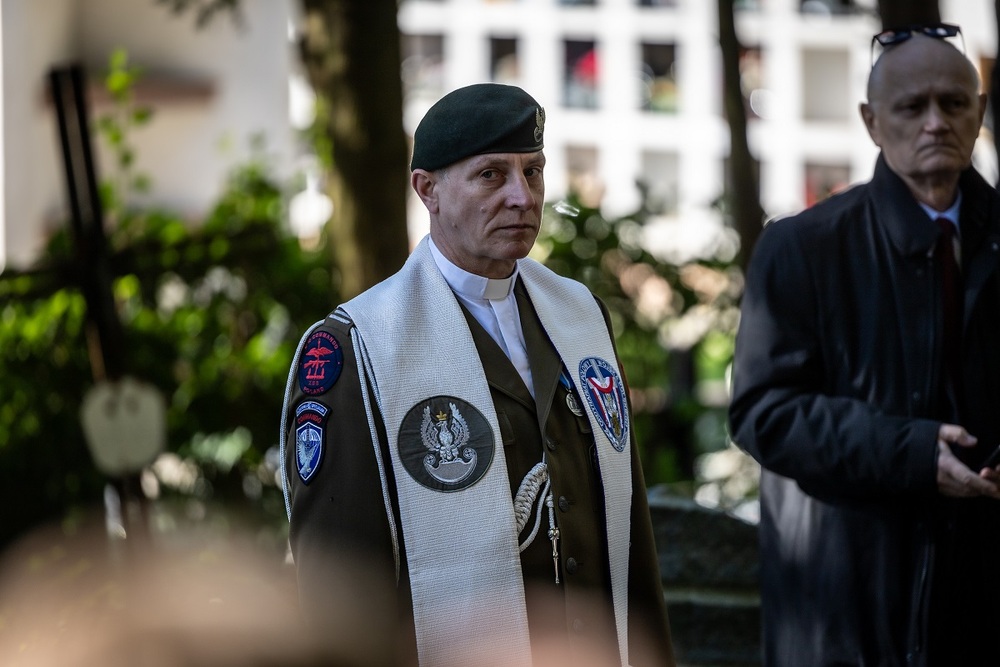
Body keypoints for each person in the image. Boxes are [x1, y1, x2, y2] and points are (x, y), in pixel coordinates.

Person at [280, 82, 675, 667]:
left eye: (533, 172)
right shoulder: (357, 345)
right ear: (428, 189)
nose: (522, 196)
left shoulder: (581, 317)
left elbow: (628, 529)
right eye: (492, 175)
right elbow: (338, 588)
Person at [728, 24, 1000, 667]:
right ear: (872, 122)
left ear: (980, 113)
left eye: (954, 104)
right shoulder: (801, 247)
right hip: (847, 616)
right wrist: (909, 452)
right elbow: (761, 414)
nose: (936, 123)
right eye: (912, 107)